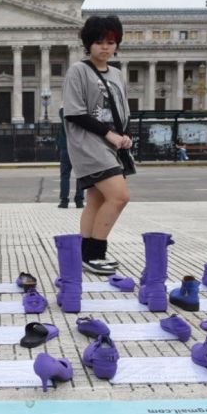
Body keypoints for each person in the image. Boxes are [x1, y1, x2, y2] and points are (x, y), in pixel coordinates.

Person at [63, 15, 131, 275]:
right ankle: (97, 252)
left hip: (112, 144)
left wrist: (125, 134)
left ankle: (84, 253)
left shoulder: (116, 73)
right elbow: (74, 112)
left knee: (96, 199)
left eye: (111, 42)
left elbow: (122, 110)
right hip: (88, 144)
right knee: (120, 196)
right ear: (88, 44)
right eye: (99, 42)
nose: (105, 47)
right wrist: (110, 134)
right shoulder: (78, 70)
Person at [57, 106, 84, 209]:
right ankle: (79, 200)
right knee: (80, 175)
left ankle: (64, 201)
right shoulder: (80, 111)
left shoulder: (63, 112)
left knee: (64, 175)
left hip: (66, 146)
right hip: (78, 146)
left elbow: (62, 109)